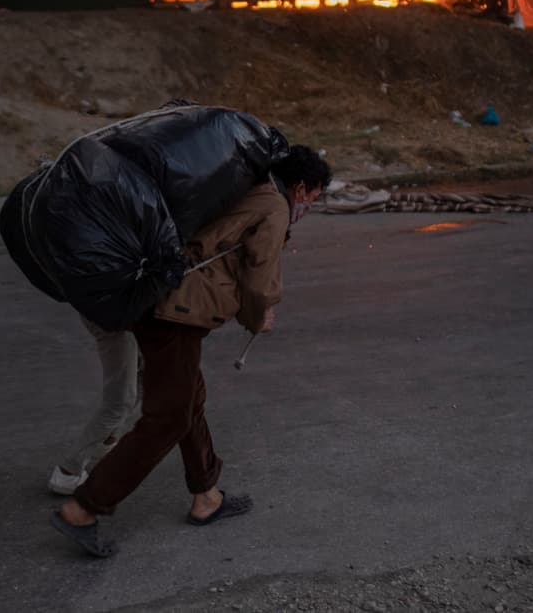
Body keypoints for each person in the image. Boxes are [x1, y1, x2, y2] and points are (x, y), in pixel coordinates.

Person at [51, 145, 332, 557]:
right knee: (167, 418)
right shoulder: (274, 204)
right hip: (176, 313)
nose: (311, 205)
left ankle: (205, 495)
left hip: (160, 299)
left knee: (189, 400)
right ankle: (83, 508)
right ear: (302, 187)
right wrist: (261, 315)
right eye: (314, 196)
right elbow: (260, 272)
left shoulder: (245, 188)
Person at [46, 317, 141, 496]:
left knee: (143, 375)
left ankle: (103, 447)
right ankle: (69, 472)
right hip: (116, 315)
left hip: (124, 312)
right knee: (120, 400)